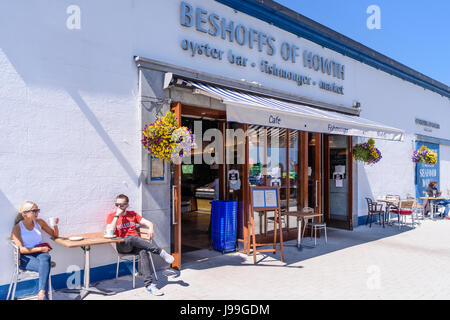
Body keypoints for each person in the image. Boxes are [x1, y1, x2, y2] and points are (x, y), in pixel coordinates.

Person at [106, 194, 175, 296]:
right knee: (132, 237)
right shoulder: (112, 216)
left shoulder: (132, 214)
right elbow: (109, 231)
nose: (119, 207)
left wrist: (151, 228)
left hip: (135, 245)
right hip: (123, 245)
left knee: (144, 251)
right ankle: (160, 252)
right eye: (117, 204)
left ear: (127, 205)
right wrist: (117, 215)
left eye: (122, 205)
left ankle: (149, 285)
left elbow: (149, 223)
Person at [10, 201, 59, 300]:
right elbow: (22, 250)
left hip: (39, 254)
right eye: (34, 211)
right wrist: (40, 248)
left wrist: (55, 225)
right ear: (24, 213)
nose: (37, 213)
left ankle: (41, 292)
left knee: (46, 258)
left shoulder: (39, 222)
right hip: (25, 257)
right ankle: (43, 295)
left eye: (38, 210)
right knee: (45, 267)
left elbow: (55, 235)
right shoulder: (17, 228)